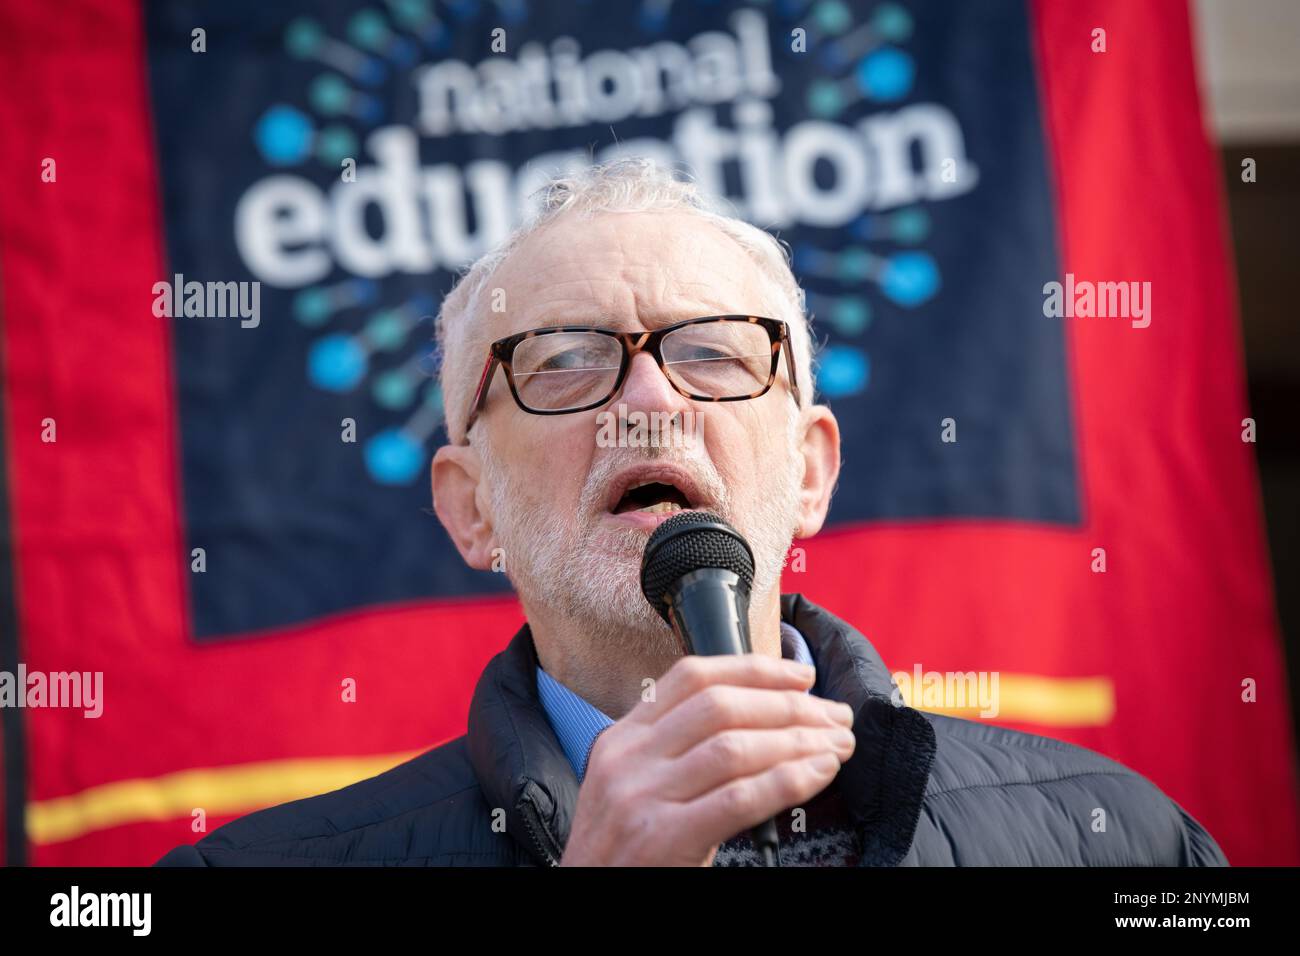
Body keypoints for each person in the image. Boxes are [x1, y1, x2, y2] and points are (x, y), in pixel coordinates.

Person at [157, 159, 1227, 867]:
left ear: (810, 472)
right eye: (565, 362)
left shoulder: (1118, 838)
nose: (649, 401)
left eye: (712, 352)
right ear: (468, 506)